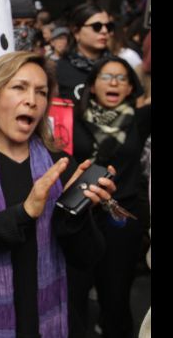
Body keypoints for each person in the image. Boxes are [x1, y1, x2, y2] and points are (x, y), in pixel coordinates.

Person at [0, 51, 116, 337]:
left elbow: (87, 257)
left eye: (41, 92)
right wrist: (26, 211)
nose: (32, 100)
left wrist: (74, 213)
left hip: (49, 319)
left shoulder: (59, 163)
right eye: (19, 87)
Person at [68, 55, 151, 338]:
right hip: (79, 217)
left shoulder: (139, 120)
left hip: (120, 218)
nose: (114, 82)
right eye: (106, 77)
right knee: (74, 293)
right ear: (91, 86)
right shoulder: (71, 118)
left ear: (130, 88)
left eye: (121, 78)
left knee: (116, 296)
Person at [56, 2, 113, 102]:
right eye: (97, 26)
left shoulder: (118, 66)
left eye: (108, 26)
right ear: (76, 31)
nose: (104, 31)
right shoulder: (59, 69)